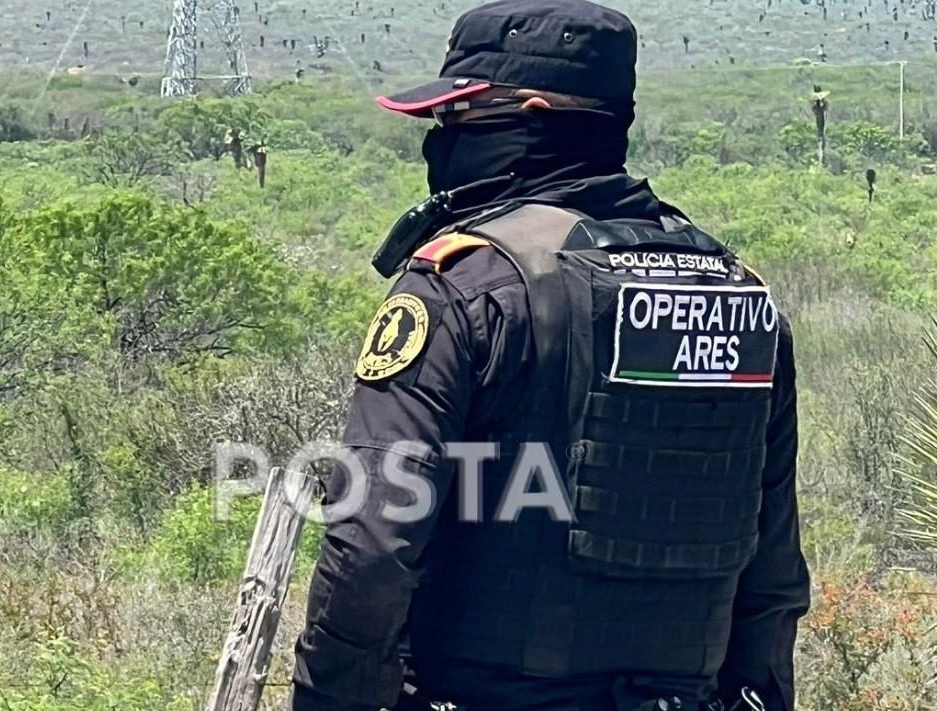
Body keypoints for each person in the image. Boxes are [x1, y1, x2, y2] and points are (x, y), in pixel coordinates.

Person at [290, 1, 810, 710]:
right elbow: (771, 570)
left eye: (458, 119)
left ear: (531, 113)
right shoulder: (740, 292)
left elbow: (373, 546)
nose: (441, 144)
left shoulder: (463, 286)